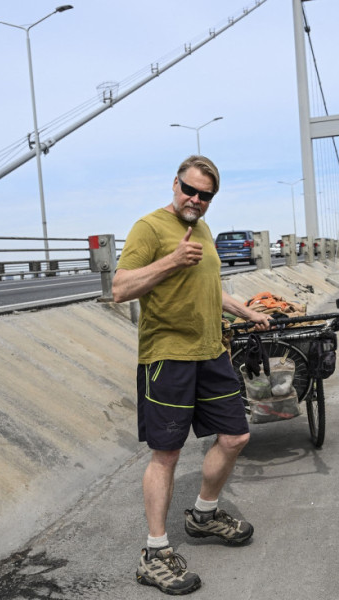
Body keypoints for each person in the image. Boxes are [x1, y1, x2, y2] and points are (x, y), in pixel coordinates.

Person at [112, 155, 272, 595]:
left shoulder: (202, 230)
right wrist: (171, 261)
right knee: (167, 453)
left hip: (210, 351)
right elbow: (120, 288)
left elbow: (207, 285)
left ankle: (203, 515)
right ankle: (155, 553)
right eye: (189, 190)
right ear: (175, 183)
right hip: (168, 357)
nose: (195, 200)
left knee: (236, 436)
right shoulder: (149, 228)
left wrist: (243, 308)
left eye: (205, 195)